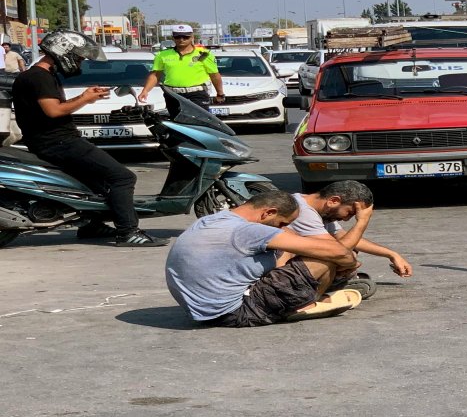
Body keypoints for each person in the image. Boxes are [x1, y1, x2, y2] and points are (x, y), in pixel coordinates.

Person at [10, 30, 166, 247]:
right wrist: (85, 98)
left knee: (93, 181)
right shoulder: (38, 77)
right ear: (64, 52)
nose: (80, 62)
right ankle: (128, 231)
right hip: (57, 142)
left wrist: (85, 96)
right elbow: (54, 111)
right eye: (80, 57)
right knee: (122, 178)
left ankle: (91, 224)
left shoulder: (41, 75)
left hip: (54, 140)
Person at [166, 190, 364, 328]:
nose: (281, 228)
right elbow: (338, 252)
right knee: (325, 258)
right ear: (268, 213)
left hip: (203, 309)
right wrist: (351, 263)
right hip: (236, 312)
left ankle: (298, 294)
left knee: (290, 246)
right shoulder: (249, 231)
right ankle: (303, 302)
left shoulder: (213, 220)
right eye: (281, 223)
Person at [281, 181, 413, 283]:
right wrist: (362, 222)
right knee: (343, 256)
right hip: (278, 270)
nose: (346, 219)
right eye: (349, 213)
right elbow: (337, 251)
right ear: (333, 201)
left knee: (349, 252)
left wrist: (391, 254)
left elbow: (343, 237)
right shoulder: (302, 211)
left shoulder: (320, 210)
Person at [139, 24, 224, 115]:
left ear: (192, 37)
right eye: (178, 37)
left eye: (185, 37)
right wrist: (145, 91)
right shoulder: (162, 55)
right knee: (177, 123)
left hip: (197, 94)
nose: (181, 39)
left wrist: (220, 93)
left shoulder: (203, 54)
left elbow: (214, 75)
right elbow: (155, 75)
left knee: (198, 123)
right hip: (173, 95)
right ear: (173, 38)